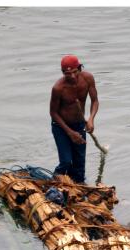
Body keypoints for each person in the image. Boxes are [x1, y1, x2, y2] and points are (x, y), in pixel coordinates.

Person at [49, 55, 99, 183]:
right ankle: (54, 181)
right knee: (65, 161)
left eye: (74, 72)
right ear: (63, 73)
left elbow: (95, 101)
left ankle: (77, 186)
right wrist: (70, 133)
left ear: (80, 68)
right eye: (67, 74)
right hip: (60, 127)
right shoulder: (58, 88)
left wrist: (91, 119)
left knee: (79, 166)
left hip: (79, 125)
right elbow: (53, 113)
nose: (72, 76)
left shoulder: (88, 79)